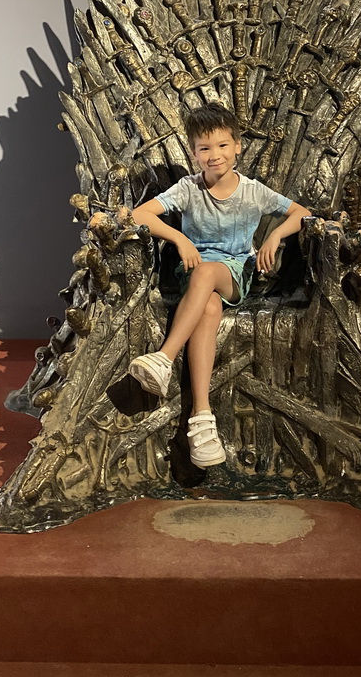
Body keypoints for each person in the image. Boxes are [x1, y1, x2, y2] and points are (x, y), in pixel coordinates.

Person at [128, 102, 313, 468]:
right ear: (194, 152)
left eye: (223, 145)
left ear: (237, 146)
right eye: (205, 148)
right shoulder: (188, 188)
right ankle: (202, 420)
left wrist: (275, 235)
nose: (215, 156)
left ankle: (163, 359)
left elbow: (302, 213)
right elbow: (140, 214)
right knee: (208, 305)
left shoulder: (253, 192)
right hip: (195, 274)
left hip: (233, 273)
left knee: (208, 274)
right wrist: (179, 240)